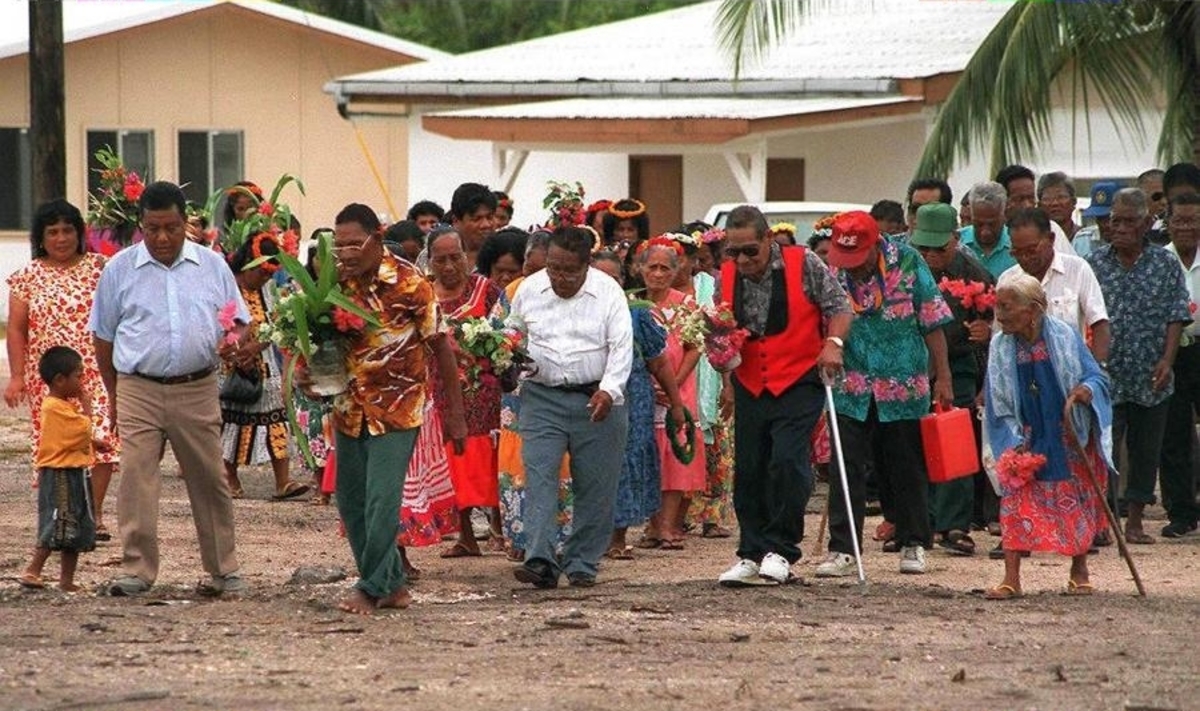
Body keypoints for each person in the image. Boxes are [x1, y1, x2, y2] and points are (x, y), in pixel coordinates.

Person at [90, 181, 249, 597]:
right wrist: (114, 392)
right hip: (137, 387)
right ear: (140, 225)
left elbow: (238, 321)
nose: (162, 238)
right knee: (137, 477)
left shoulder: (212, 266)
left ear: (187, 224)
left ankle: (223, 569)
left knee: (209, 478)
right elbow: (103, 336)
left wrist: (236, 344)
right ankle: (137, 570)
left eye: (171, 228)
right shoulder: (119, 269)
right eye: (153, 228)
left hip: (196, 388)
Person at [316, 203, 466, 615]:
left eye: (352, 244)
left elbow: (441, 348)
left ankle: (370, 587)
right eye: (338, 245)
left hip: (399, 409)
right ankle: (392, 585)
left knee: (382, 499)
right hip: (349, 407)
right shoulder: (334, 284)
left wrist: (456, 414)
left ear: (376, 239)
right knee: (351, 501)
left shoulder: (410, 283)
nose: (344, 253)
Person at [714, 206, 852, 587]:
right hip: (750, 381)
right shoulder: (724, 277)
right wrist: (720, 352)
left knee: (788, 462)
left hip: (798, 377)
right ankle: (750, 552)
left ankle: (781, 550)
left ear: (768, 240)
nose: (742, 260)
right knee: (750, 468)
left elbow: (839, 306)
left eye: (750, 251)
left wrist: (833, 344)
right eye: (733, 252)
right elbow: (722, 330)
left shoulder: (802, 262)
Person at [816, 210, 954, 578]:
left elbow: (932, 321)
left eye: (858, 259)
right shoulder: (832, 269)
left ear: (875, 243)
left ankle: (913, 542)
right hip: (851, 382)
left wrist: (944, 376)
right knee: (845, 465)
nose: (852, 268)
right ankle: (843, 550)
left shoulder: (909, 261)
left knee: (905, 466)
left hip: (903, 381)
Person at [505, 226, 633, 589]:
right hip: (542, 397)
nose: (559, 278)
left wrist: (609, 391)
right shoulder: (529, 289)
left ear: (586, 265)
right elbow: (514, 335)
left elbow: (621, 346)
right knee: (540, 476)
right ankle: (540, 559)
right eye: (553, 269)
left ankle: (582, 561)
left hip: (597, 400)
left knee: (596, 485)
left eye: (568, 271)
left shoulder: (608, 292)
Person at [983, 274, 1112, 599]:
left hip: (1065, 434)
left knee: (1077, 499)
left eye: (1007, 307)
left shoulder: (1065, 337)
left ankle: (1079, 571)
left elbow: (1096, 376)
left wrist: (1085, 390)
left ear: (1034, 310)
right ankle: (1011, 578)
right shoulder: (1000, 346)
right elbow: (996, 397)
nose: (999, 314)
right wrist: (1009, 442)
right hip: (1025, 434)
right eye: (998, 305)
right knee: (1014, 503)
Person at [6, 199, 119, 541]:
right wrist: (16, 376)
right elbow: (16, 329)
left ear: (79, 233)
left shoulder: (102, 268)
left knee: (100, 436)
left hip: (95, 371)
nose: (61, 238)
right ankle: (64, 515)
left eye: (67, 230)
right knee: (60, 443)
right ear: (41, 237)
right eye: (52, 231)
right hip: (51, 380)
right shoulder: (26, 277)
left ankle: (95, 515)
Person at [1086, 188, 1191, 544]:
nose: (1119, 228)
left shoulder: (1164, 263)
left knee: (1146, 449)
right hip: (1106, 372)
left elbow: (1176, 316)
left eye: (1129, 222)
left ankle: (1134, 521)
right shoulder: (1095, 264)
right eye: (1115, 221)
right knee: (1105, 446)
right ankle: (1104, 520)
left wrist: (1167, 360)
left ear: (1148, 223)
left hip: (1151, 372)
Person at [909, 203, 994, 555]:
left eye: (938, 248)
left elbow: (995, 319)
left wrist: (985, 328)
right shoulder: (903, 268)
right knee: (913, 446)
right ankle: (918, 524)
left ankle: (954, 525)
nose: (929, 255)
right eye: (923, 247)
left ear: (956, 240)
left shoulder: (975, 272)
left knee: (953, 442)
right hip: (911, 364)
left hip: (958, 364)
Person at [590, 251, 686, 560]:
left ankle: (617, 536)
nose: (607, 285)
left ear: (623, 280)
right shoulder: (578, 313)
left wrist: (676, 403)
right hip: (588, 399)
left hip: (634, 401)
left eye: (613, 279)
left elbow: (659, 362)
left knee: (626, 462)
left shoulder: (637, 314)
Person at [424, 227, 504, 559]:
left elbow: (506, 333)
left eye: (455, 258)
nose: (449, 266)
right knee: (454, 461)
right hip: (442, 393)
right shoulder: (424, 295)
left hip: (485, 394)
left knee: (491, 459)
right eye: (440, 260)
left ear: (465, 257)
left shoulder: (486, 291)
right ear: (430, 262)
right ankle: (466, 535)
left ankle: (500, 531)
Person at [219, 234, 308, 501]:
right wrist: (235, 352)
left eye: (270, 275)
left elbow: (277, 323)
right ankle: (230, 478)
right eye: (261, 273)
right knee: (230, 422)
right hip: (229, 366)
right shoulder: (226, 285)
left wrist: (256, 348)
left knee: (276, 420)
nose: (265, 279)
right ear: (247, 263)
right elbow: (219, 323)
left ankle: (283, 481)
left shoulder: (268, 290)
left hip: (265, 365)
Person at [634, 238, 706, 549]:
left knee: (676, 456)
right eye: (653, 267)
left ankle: (667, 526)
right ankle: (652, 526)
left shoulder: (686, 305)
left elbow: (694, 347)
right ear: (640, 269)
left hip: (679, 388)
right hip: (645, 391)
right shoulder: (634, 304)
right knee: (649, 454)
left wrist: (672, 384)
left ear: (676, 271)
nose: (659, 274)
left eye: (666, 268)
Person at [19, 347, 104, 592]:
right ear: (59, 379)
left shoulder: (64, 407)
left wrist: (93, 441)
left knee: (75, 524)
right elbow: (77, 430)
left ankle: (66, 580)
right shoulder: (53, 407)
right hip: (60, 474)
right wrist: (87, 408)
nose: (82, 381)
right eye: (78, 376)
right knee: (58, 521)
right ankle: (33, 570)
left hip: (74, 471)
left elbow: (70, 436)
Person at [1160, 192, 1200, 538]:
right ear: (1167, 223)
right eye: (1179, 221)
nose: (1185, 227)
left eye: (1192, 220)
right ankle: (1181, 512)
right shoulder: (1161, 260)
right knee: (1173, 434)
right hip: (1173, 354)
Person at [449, 183, 497, 267]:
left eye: (490, 217)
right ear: (456, 221)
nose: (486, 225)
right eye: (476, 219)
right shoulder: (437, 254)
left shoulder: (506, 254)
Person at [1072, 180, 1119, 259]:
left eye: (1111, 218)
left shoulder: (1135, 239)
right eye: (1101, 218)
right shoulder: (1082, 240)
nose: (1106, 225)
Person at [1037, 171, 1080, 241]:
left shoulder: (1085, 238)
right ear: (1039, 205)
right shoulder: (1034, 240)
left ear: (1073, 202)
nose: (1055, 203)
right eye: (1048, 198)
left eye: (1061, 197)